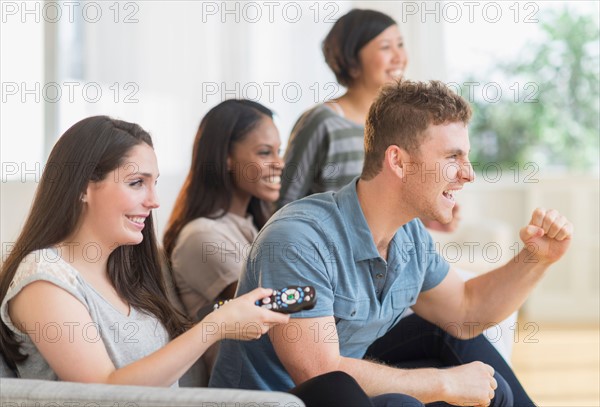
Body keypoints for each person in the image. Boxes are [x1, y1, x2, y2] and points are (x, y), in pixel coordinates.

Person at [209, 81, 573, 406]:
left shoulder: (410, 236)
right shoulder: (299, 239)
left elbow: (466, 311)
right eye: (452, 157)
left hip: (342, 392)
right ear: (397, 161)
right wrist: (443, 383)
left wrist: (536, 258)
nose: (468, 172)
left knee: (492, 389)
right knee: (404, 402)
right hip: (278, 401)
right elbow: (322, 375)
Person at [0, 116, 390, 407]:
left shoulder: (125, 271)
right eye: (137, 183)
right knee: (336, 390)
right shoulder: (44, 282)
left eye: (154, 183)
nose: (153, 201)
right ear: (84, 187)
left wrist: (226, 317)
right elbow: (104, 392)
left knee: (355, 393)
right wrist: (216, 327)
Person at [279, 9, 459, 232]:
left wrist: (425, 218)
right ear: (352, 60)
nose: (399, 57)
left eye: (400, 45)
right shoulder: (322, 122)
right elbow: (284, 205)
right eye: (385, 47)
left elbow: (383, 206)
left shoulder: (402, 127)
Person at [163, 100, 283, 321]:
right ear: (226, 158)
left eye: (279, 151)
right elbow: (267, 309)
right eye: (265, 153)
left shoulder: (254, 225)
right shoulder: (202, 235)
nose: (280, 163)